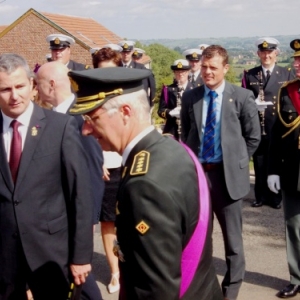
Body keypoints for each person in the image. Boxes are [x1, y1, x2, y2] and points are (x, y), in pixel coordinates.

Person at [68, 67, 223, 300]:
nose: (85, 129)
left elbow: (155, 289)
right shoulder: (172, 149)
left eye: (92, 118)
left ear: (125, 112)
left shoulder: (144, 185)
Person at [0, 53, 93, 300]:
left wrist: (81, 255)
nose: (14, 95)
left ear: (32, 86)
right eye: (5, 89)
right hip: (4, 255)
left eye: (20, 86)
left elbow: (80, 194)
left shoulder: (59, 127)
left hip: (51, 252)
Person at [181, 45, 261, 300]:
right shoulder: (190, 97)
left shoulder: (242, 97)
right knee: (199, 238)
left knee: (233, 243)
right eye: (204, 66)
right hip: (199, 178)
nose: (207, 72)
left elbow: (253, 137)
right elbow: (186, 134)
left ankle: (231, 291)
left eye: (213, 67)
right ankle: (201, 287)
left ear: (226, 68)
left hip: (227, 179)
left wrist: (236, 163)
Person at [35, 61, 104, 300]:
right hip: (58, 214)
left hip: (76, 214)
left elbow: (92, 169)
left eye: (38, 84)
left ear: (52, 85)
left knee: (80, 275)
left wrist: (90, 217)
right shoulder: (52, 117)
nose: (36, 90)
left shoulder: (77, 117)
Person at [242, 37, 293, 209]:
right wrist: (253, 105)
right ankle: (260, 196)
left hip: (278, 125)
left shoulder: (286, 73)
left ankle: (276, 197)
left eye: (270, 52)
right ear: (258, 54)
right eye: (263, 52)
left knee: (277, 161)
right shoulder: (250, 74)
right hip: (258, 124)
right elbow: (244, 99)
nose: (266, 55)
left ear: (276, 54)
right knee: (259, 162)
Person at [267, 38, 300, 299]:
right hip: (292, 170)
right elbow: (276, 134)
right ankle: (297, 277)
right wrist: (272, 170)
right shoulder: (286, 92)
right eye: (296, 60)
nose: (297, 65)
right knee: (294, 226)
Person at [91, 46, 123, 294]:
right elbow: (84, 133)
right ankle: (115, 272)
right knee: (108, 222)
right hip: (105, 167)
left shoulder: (129, 94)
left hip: (129, 164)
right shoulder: (90, 97)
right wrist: (95, 158)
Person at [157, 59, 193, 140]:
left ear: (188, 72)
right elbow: (160, 111)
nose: (180, 74)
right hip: (172, 130)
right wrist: (170, 112)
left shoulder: (195, 89)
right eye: (177, 72)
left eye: (183, 71)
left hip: (190, 129)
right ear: (174, 73)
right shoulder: (167, 89)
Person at [118, 40, 156, 107]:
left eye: (128, 52)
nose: (125, 54)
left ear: (132, 51)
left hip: (139, 105)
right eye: (123, 52)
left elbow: (152, 88)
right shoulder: (116, 68)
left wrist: (150, 105)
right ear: (120, 52)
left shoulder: (141, 69)